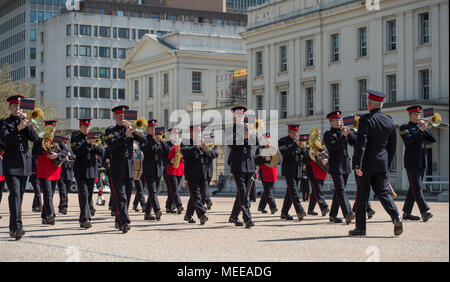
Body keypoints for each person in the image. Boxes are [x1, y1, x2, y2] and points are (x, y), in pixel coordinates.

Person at [350, 90, 402, 236]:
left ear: (370, 104)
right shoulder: (389, 120)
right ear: (381, 104)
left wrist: (357, 164)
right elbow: (392, 146)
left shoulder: (365, 120)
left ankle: (360, 228)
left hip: (366, 163)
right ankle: (396, 216)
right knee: (384, 192)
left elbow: (362, 143)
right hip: (382, 162)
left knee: (362, 195)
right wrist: (387, 162)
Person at [0, 95, 41, 240]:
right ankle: (18, 226)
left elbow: (35, 139)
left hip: (25, 164)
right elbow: (3, 141)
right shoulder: (4, 123)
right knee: (15, 194)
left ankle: (13, 227)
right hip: (11, 164)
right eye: (15, 106)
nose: (18, 109)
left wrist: (27, 124)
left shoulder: (25, 121)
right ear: (10, 107)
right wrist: (18, 128)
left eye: (20, 106)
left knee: (19, 196)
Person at [104, 105, 145, 233]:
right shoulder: (111, 131)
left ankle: (119, 218)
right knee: (120, 197)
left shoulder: (130, 129)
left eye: (123, 116)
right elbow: (112, 145)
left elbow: (143, 140)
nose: (122, 119)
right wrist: (125, 136)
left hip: (129, 168)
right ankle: (125, 222)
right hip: (116, 168)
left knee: (126, 197)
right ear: (115, 117)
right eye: (119, 117)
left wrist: (133, 130)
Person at [400, 105, 436, 222]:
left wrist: (427, 128)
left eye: (419, 114)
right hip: (411, 162)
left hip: (421, 162)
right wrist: (420, 130)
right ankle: (424, 211)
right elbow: (408, 140)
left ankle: (406, 212)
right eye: (415, 114)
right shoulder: (404, 127)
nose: (418, 116)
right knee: (418, 186)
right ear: (410, 115)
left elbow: (433, 139)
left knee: (413, 188)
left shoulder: (421, 127)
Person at [32, 120, 69, 226]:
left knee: (51, 194)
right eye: (48, 129)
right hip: (43, 169)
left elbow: (65, 151)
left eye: (52, 129)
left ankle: (44, 216)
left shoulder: (58, 139)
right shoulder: (39, 138)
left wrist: (57, 155)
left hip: (54, 169)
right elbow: (33, 152)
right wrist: (43, 148)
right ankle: (51, 214)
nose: (51, 131)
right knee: (47, 193)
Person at [323, 110, 356, 224]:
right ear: (331, 122)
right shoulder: (328, 134)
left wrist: (349, 133)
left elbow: (355, 142)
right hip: (336, 165)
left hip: (345, 164)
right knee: (341, 190)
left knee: (339, 191)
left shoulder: (343, 132)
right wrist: (343, 136)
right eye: (336, 120)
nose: (338, 122)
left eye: (339, 119)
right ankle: (348, 213)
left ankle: (333, 215)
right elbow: (334, 147)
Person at [71, 119, 104, 229]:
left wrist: (95, 144)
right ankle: (86, 219)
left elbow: (101, 152)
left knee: (89, 195)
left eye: (88, 127)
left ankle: (82, 218)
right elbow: (76, 151)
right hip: (81, 171)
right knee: (84, 195)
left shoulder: (95, 137)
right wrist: (86, 143)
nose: (86, 129)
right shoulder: (76, 137)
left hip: (91, 171)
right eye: (84, 127)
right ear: (80, 127)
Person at [227, 106, 255, 229]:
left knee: (242, 193)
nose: (240, 119)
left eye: (242, 116)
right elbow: (230, 143)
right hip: (237, 165)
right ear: (234, 117)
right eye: (238, 116)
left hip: (249, 165)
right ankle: (247, 218)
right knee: (243, 193)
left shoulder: (248, 128)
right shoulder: (230, 129)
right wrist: (244, 136)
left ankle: (234, 216)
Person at [139, 119, 168, 221]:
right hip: (148, 170)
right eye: (151, 128)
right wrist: (154, 140)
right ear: (147, 129)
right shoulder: (144, 139)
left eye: (154, 128)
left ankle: (147, 214)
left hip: (158, 170)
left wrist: (162, 141)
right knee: (152, 192)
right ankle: (157, 210)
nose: (153, 129)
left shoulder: (159, 140)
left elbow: (167, 151)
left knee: (153, 193)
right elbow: (144, 149)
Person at [180, 125, 209, 225]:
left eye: (200, 133)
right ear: (191, 134)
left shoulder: (203, 144)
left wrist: (207, 150)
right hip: (191, 175)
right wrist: (196, 146)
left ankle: (188, 215)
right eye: (196, 133)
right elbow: (184, 152)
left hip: (202, 174)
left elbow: (214, 154)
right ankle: (201, 215)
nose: (198, 135)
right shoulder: (185, 142)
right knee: (196, 197)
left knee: (200, 196)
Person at [278, 124, 307, 221]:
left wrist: (305, 148)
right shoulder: (282, 141)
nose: (295, 135)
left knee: (290, 192)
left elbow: (304, 156)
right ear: (289, 132)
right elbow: (285, 153)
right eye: (293, 133)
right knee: (294, 191)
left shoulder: (298, 142)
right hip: (288, 170)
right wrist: (296, 144)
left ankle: (284, 213)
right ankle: (300, 211)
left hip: (297, 170)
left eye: (296, 133)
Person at [255, 133, 278, 215]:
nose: (268, 141)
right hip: (264, 172)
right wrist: (264, 159)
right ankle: (273, 206)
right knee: (268, 191)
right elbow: (256, 161)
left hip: (272, 172)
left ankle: (261, 207)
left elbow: (279, 161)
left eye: (268, 139)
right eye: (266, 139)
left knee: (267, 191)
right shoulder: (259, 149)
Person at [165, 128, 185, 216]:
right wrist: (169, 160)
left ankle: (168, 206)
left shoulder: (180, 144)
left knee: (172, 190)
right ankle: (179, 205)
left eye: (177, 134)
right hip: (170, 169)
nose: (176, 136)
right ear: (170, 135)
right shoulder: (166, 144)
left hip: (179, 169)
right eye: (174, 134)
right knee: (175, 188)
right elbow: (163, 158)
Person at [57, 137, 75, 215]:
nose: (65, 145)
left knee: (66, 191)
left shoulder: (70, 151)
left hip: (69, 173)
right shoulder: (58, 151)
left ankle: (62, 206)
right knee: (62, 190)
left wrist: (70, 156)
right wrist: (62, 158)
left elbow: (75, 158)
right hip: (61, 173)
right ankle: (63, 207)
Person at [202, 132, 218, 210]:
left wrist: (209, 151)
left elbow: (215, 154)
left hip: (209, 170)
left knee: (205, 187)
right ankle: (208, 200)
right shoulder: (201, 145)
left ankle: (203, 203)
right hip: (202, 170)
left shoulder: (213, 146)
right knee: (204, 187)